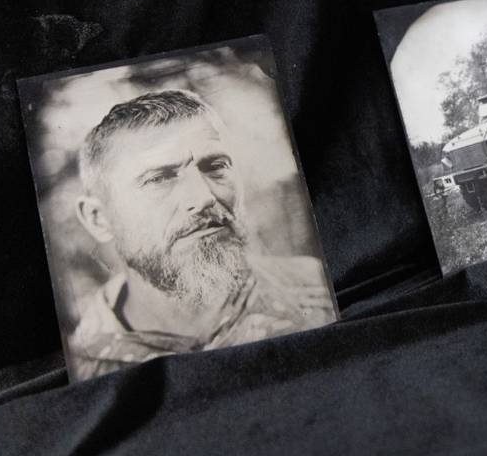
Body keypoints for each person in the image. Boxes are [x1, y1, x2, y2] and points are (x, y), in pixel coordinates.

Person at [68, 90, 335, 380]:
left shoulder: (319, 289)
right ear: (99, 219)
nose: (204, 197)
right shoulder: (81, 369)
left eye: (216, 166)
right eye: (158, 179)